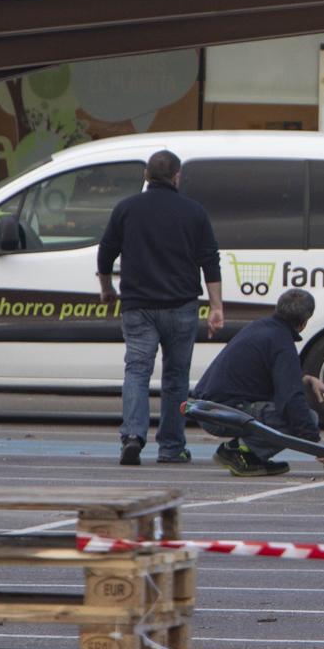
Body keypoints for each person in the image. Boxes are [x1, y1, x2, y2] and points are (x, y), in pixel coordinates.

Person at [98, 150, 222, 467]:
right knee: (176, 378)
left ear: (146, 176)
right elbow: (209, 260)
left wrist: (107, 289)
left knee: (137, 372)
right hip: (181, 307)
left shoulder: (126, 208)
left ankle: (132, 437)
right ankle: (171, 447)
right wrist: (216, 306)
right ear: (177, 176)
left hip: (138, 307)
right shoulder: (194, 211)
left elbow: (106, 252)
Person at [191, 288, 324, 477]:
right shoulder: (282, 343)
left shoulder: (262, 328)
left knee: (295, 415)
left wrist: (308, 380)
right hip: (224, 413)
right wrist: (314, 443)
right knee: (307, 417)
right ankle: (239, 452)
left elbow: (270, 376)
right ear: (304, 322)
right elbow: (291, 400)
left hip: (208, 408)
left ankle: (246, 452)